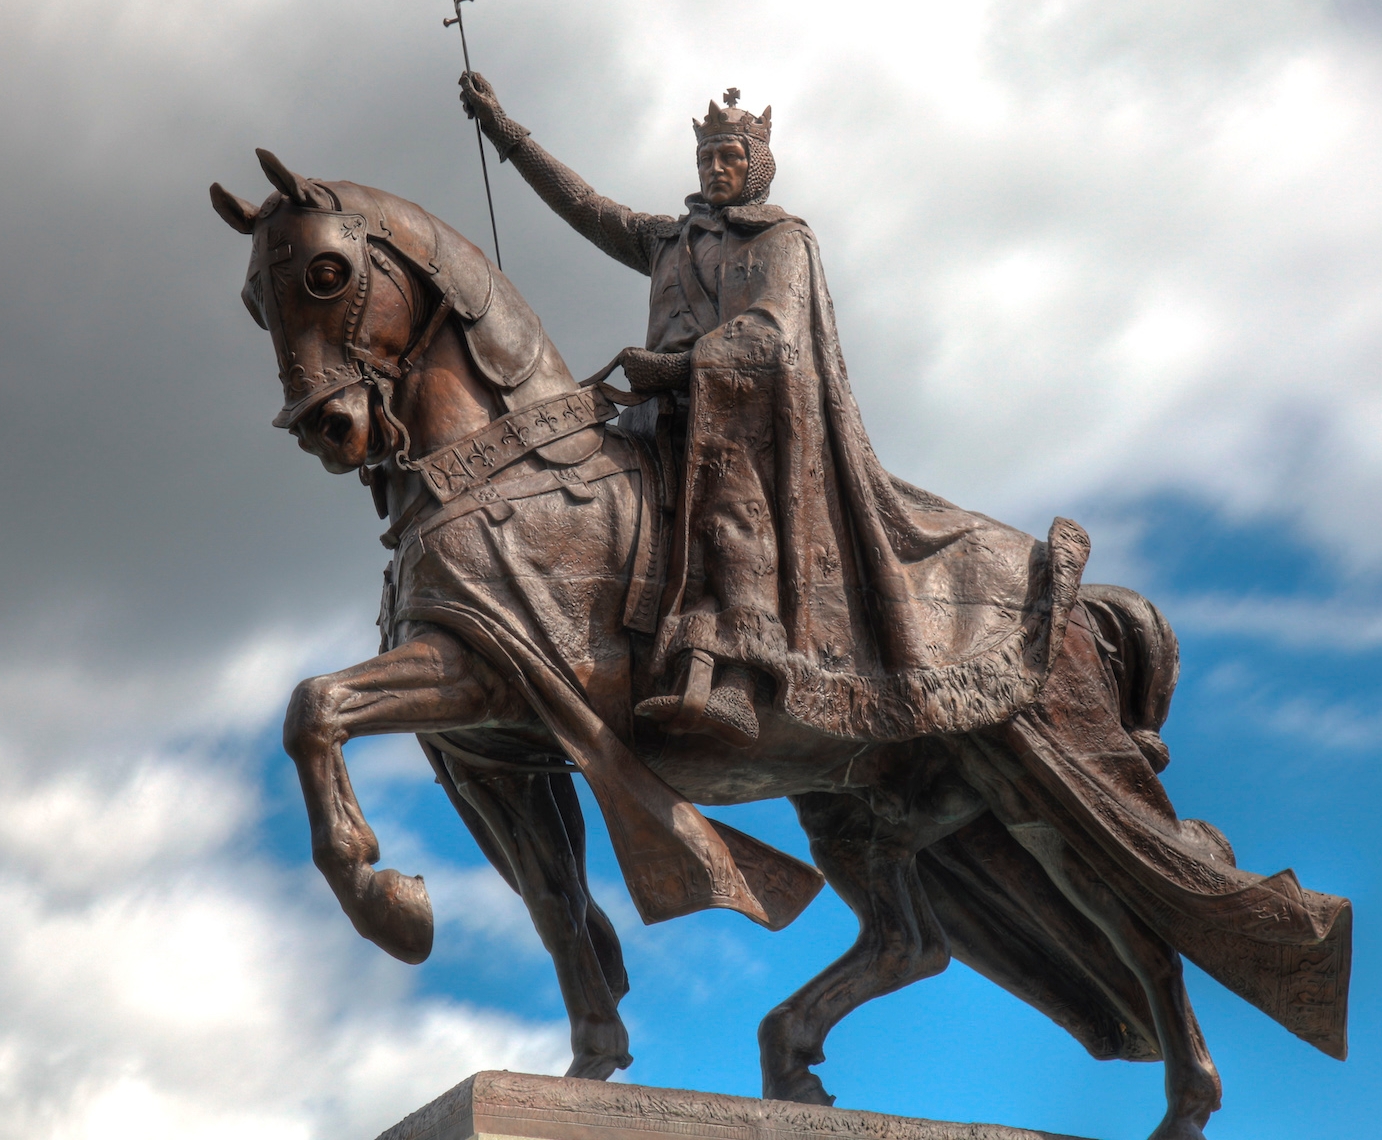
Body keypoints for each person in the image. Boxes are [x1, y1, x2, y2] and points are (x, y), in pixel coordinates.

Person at [457, 74, 1087, 753]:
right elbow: (584, 206)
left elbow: (774, 334)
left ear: (757, 166)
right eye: (707, 159)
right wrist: (505, 132)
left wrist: (675, 367)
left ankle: (742, 673)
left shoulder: (782, 237)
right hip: (663, 419)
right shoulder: (665, 240)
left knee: (731, 506)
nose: (717, 169)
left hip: (748, 419)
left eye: (730, 158)